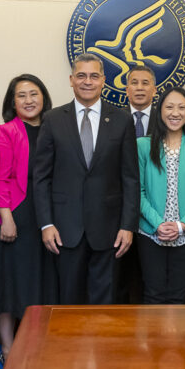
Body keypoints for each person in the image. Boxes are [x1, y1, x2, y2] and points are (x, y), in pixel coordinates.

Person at [34, 53, 139, 305]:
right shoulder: (53, 119)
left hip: (109, 229)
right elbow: (41, 177)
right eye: (81, 76)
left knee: (104, 305)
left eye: (94, 76)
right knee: (68, 303)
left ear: (103, 80)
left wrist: (127, 225)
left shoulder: (122, 120)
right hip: (64, 230)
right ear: (71, 80)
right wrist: (46, 224)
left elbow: (130, 178)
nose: (87, 81)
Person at [0, 74, 56, 363]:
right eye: (21, 95)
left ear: (44, 97)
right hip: (16, 213)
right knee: (9, 282)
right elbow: (0, 178)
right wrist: (6, 217)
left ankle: (36, 342)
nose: (29, 100)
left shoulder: (55, 128)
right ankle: (7, 347)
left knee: (39, 281)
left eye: (34, 94)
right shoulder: (6, 131)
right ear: (12, 102)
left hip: (48, 214)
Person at [136, 87, 185, 304]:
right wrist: (158, 224)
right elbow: (137, 191)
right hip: (150, 233)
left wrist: (182, 225)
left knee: (180, 295)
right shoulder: (143, 145)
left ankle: (178, 340)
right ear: (160, 111)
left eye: (181, 107)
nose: (175, 113)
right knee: (153, 294)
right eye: (169, 107)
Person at [120, 63, 156, 303]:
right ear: (126, 88)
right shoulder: (112, 118)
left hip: (155, 208)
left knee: (149, 275)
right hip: (120, 207)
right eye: (134, 82)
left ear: (155, 89)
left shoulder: (168, 120)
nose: (140, 88)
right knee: (122, 273)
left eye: (145, 83)